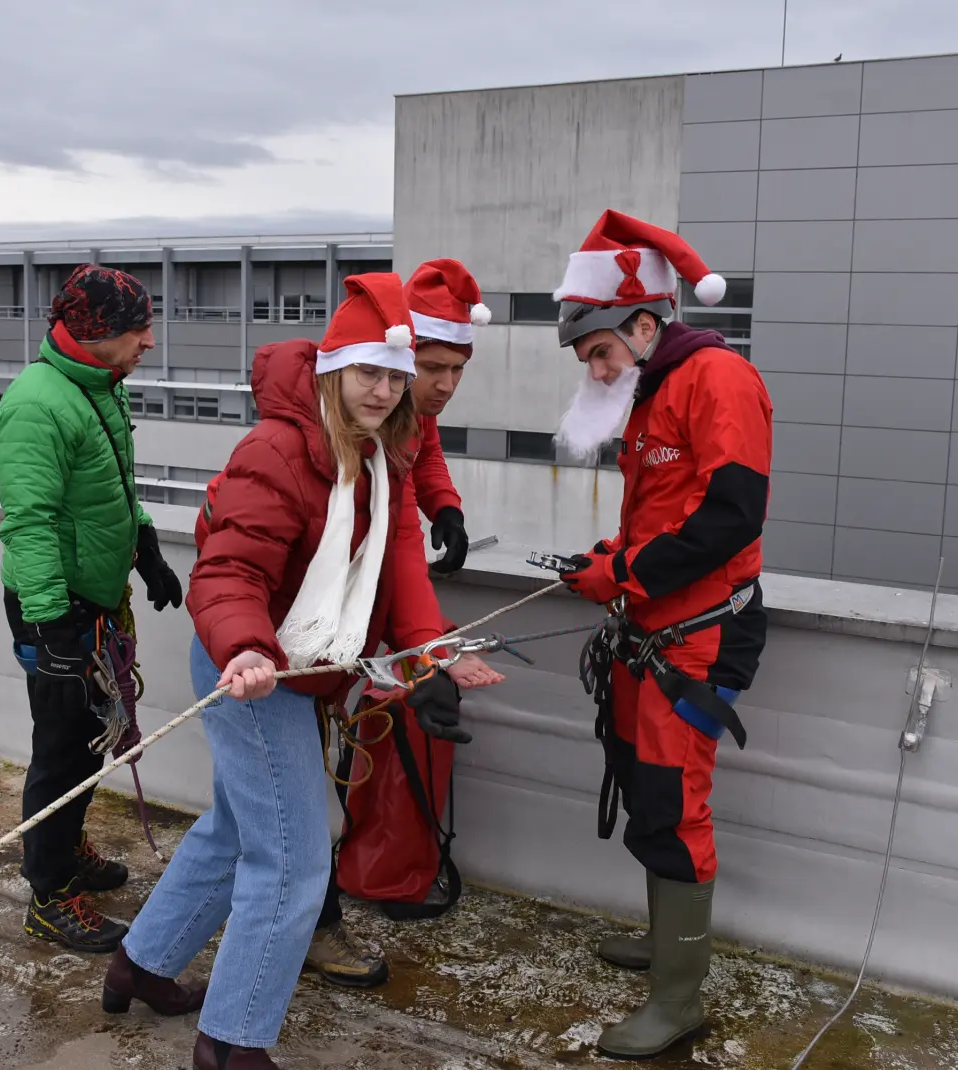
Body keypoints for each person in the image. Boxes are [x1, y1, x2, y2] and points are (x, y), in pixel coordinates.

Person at [104, 273, 469, 1070]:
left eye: (394, 375)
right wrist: (245, 648)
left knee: (238, 829)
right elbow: (226, 570)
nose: (383, 390)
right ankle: (232, 1042)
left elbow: (402, 562)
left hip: (295, 670)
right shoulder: (276, 448)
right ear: (335, 369)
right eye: (368, 371)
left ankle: (142, 963)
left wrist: (429, 662)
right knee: (298, 853)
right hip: (251, 664)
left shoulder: (383, 457)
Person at [551, 210, 772, 1058]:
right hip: (655, 635)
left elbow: (729, 517)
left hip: (701, 642)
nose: (597, 370)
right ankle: (663, 941)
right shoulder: (653, 391)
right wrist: (608, 557)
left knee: (677, 806)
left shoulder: (717, 380)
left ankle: (679, 1000)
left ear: (645, 325)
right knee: (649, 793)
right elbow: (662, 518)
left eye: (602, 352)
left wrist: (625, 574)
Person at [305, 257, 505, 989]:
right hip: (293, 647)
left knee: (284, 813)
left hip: (328, 642)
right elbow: (389, 553)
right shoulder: (327, 436)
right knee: (292, 816)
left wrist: (443, 505)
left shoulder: (402, 419)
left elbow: (422, 476)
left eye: (458, 368)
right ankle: (310, 932)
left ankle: (149, 961)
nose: (446, 384)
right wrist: (429, 654)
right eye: (433, 366)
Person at [0, 264, 184, 953]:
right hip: (57, 611)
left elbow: (109, 491)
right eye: (139, 329)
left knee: (89, 745)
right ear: (98, 330)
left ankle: (68, 848)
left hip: (91, 605)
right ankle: (47, 894)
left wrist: (146, 549)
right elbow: (31, 523)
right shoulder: (37, 405)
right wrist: (51, 629)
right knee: (60, 755)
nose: (149, 342)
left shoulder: (99, 388)